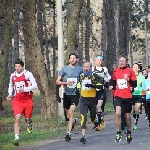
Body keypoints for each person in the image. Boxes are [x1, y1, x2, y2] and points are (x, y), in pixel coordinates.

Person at [6, 59, 37, 146]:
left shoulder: (28, 74)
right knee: (17, 118)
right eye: (16, 66)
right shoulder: (13, 75)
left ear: (22, 66)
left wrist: (25, 89)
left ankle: (29, 123)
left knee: (27, 119)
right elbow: (11, 85)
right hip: (18, 100)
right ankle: (16, 138)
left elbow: (35, 85)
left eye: (19, 66)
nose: (17, 68)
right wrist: (9, 94)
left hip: (27, 100)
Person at [109, 55, 137, 143]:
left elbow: (135, 84)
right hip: (118, 96)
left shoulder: (130, 71)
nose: (121, 62)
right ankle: (118, 132)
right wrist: (111, 86)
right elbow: (113, 81)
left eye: (123, 61)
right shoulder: (115, 71)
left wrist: (128, 79)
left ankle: (129, 131)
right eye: (120, 61)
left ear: (126, 62)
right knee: (117, 114)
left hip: (127, 96)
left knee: (127, 117)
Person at [56, 53, 83, 142]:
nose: (72, 60)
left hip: (75, 94)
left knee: (71, 112)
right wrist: (66, 83)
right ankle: (74, 120)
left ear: (77, 59)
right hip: (67, 94)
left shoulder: (80, 70)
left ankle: (68, 133)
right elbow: (57, 82)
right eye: (71, 58)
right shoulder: (64, 69)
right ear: (69, 60)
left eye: (74, 58)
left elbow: (84, 79)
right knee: (68, 116)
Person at [77, 61, 104, 144]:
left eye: (88, 67)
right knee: (83, 117)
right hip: (83, 99)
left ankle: (96, 119)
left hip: (92, 99)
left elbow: (101, 85)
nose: (86, 68)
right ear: (83, 68)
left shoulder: (94, 76)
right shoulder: (80, 76)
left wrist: (93, 85)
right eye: (85, 66)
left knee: (92, 118)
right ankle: (83, 136)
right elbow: (78, 86)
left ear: (90, 68)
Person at [92, 55, 111, 131]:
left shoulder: (104, 69)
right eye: (97, 60)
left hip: (101, 91)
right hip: (93, 91)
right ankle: (100, 119)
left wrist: (107, 79)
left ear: (102, 62)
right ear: (95, 61)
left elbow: (109, 77)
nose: (99, 61)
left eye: (100, 60)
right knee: (95, 108)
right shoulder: (93, 69)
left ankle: (98, 124)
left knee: (99, 106)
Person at [132, 64, 145, 131]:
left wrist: (143, 93)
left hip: (139, 95)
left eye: (136, 67)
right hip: (131, 95)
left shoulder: (141, 77)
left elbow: (144, 86)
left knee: (137, 108)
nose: (135, 68)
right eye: (134, 67)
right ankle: (134, 113)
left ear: (138, 69)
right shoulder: (130, 76)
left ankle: (135, 124)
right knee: (132, 110)